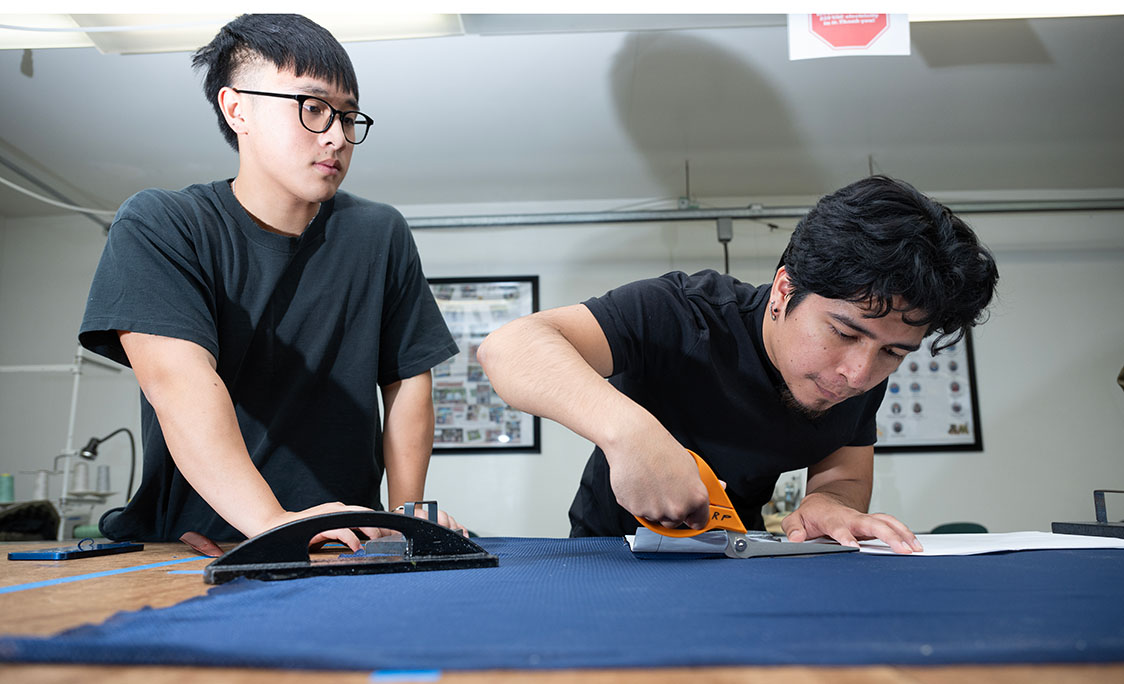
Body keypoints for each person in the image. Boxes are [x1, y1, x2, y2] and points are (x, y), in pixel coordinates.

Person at [79, 14, 462, 550]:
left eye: (348, 117)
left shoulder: (380, 233)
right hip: (200, 542)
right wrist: (273, 523)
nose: (337, 136)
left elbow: (407, 379)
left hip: (347, 540)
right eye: (313, 108)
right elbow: (177, 382)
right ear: (237, 109)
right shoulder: (162, 224)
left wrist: (406, 518)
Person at [478, 176, 999, 554]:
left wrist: (832, 505)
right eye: (843, 332)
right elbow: (511, 347)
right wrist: (631, 433)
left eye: (893, 352)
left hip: (737, 553)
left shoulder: (860, 373)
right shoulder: (681, 312)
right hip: (609, 550)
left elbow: (842, 471)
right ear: (783, 290)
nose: (858, 375)